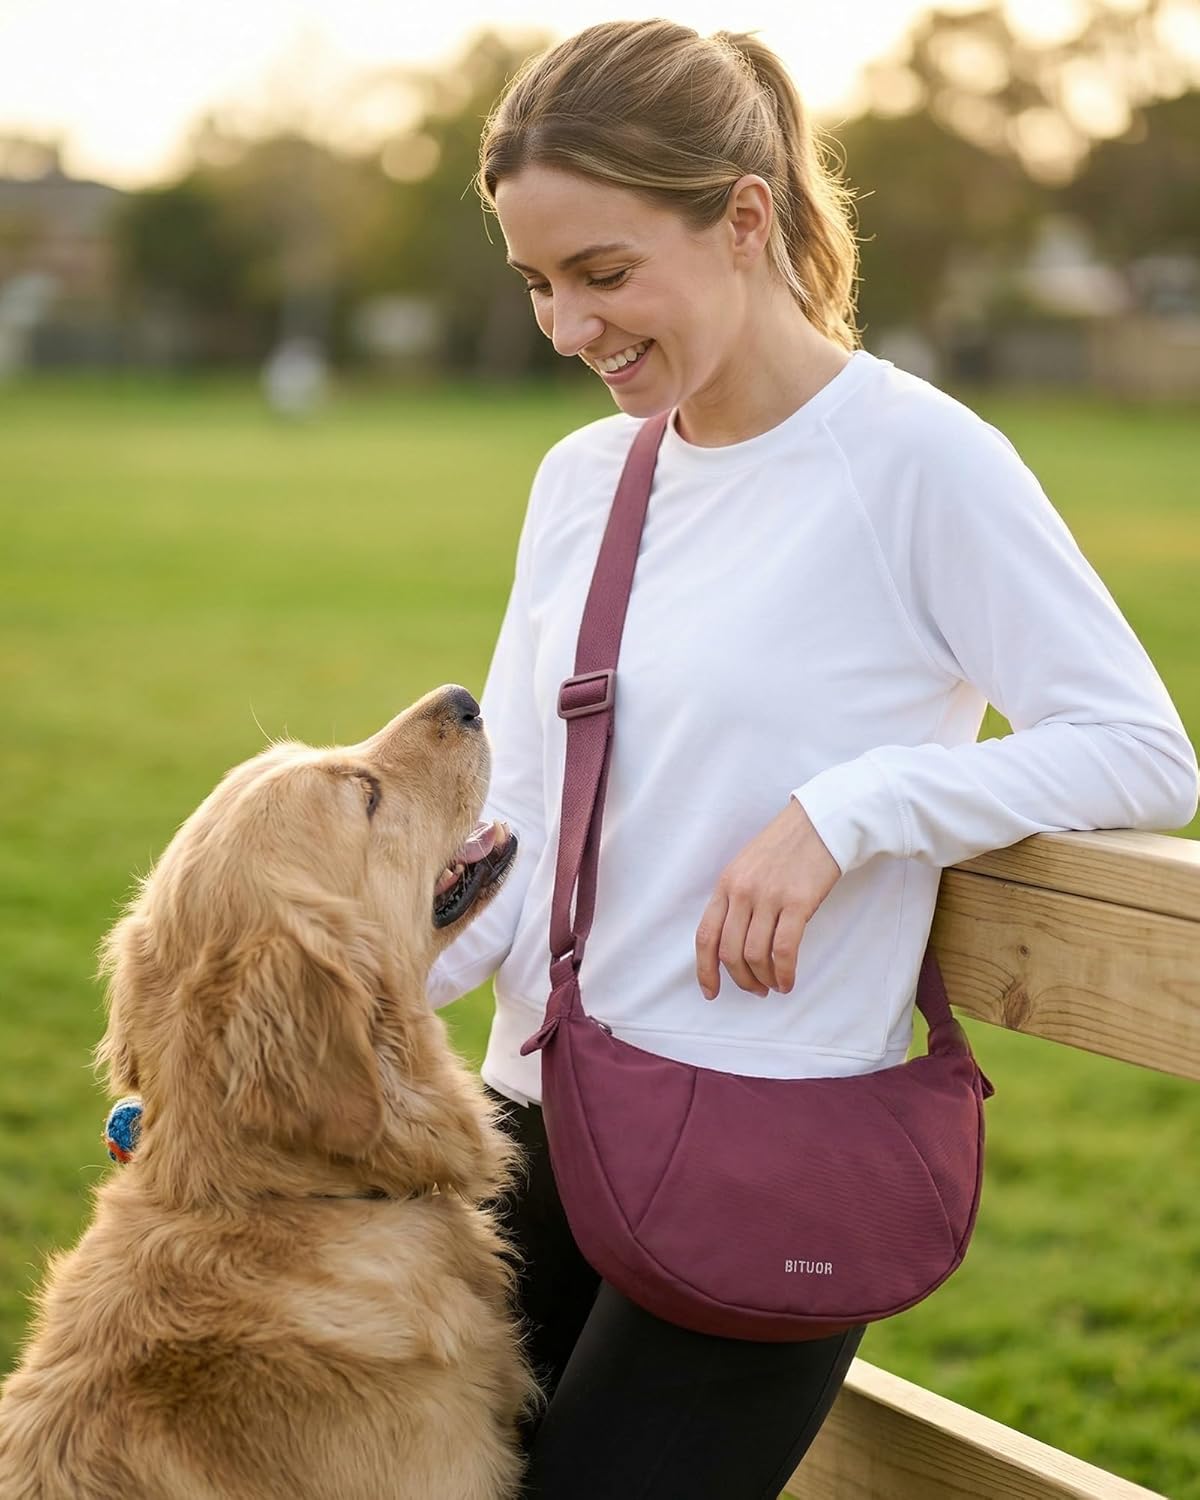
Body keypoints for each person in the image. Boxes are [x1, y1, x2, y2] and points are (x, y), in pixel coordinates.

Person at [427, 19, 1199, 1499]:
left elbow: (1141, 751)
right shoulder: (583, 479)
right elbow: (519, 814)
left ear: (744, 218)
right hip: (527, 1118)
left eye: (602, 273)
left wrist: (859, 806)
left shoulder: (920, 462)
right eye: (536, 283)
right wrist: (312, 1018)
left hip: (764, 1144)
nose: (566, 328)